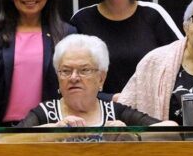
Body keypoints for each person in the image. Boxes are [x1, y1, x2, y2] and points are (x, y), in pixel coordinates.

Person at [70, 0, 181, 97]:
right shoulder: (82, 19)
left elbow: (186, 59)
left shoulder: (154, 14)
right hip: (100, 114)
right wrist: (111, 99)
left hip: (149, 114)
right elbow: (70, 76)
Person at [17, 34, 172, 127]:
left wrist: (130, 135)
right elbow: (7, 140)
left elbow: (170, 129)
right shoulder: (44, 113)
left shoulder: (115, 112)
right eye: (66, 71)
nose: (74, 78)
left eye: (84, 70)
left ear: (101, 78)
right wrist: (51, 131)